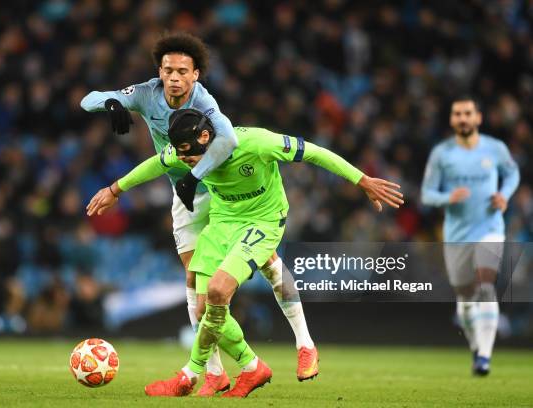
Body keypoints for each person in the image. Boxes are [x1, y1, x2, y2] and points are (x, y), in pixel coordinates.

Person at [86, 109, 404, 397]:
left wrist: (360, 180)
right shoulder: (184, 150)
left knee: (218, 289)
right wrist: (116, 189)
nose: (185, 162)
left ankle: (192, 373)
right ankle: (251, 369)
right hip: (223, 223)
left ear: (206, 137)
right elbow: (156, 163)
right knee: (200, 309)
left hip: (262, 221)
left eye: (188, 155)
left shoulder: (254, 142)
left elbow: (315, 153)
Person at [81, 32, 318, 393]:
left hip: (224, 194)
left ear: (195, 76)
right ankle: (216, 370)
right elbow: (88, 100)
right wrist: (113, 103)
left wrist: (195, 176)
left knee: (268, 261)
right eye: (168, 70)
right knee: (195, 283)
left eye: (181, 71)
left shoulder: (205, 102)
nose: (174, 77)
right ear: (159, 72)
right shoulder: (146, 94)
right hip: (185, 193)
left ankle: (304, 344)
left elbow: (228, 142)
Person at [421, 96, 520, 376]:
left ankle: (485, 357)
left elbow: (512, 175)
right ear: (452, 120)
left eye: (467, 113)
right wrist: (447, 197)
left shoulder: (495, 149)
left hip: (490, 229)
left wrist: (504, 195)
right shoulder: (442, 154)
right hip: (456, 235)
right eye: (457, 114)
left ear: (478, 118)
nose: (463, 118)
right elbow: (427, 194)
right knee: (465, 300)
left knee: (485, 285)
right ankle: (476, 347)